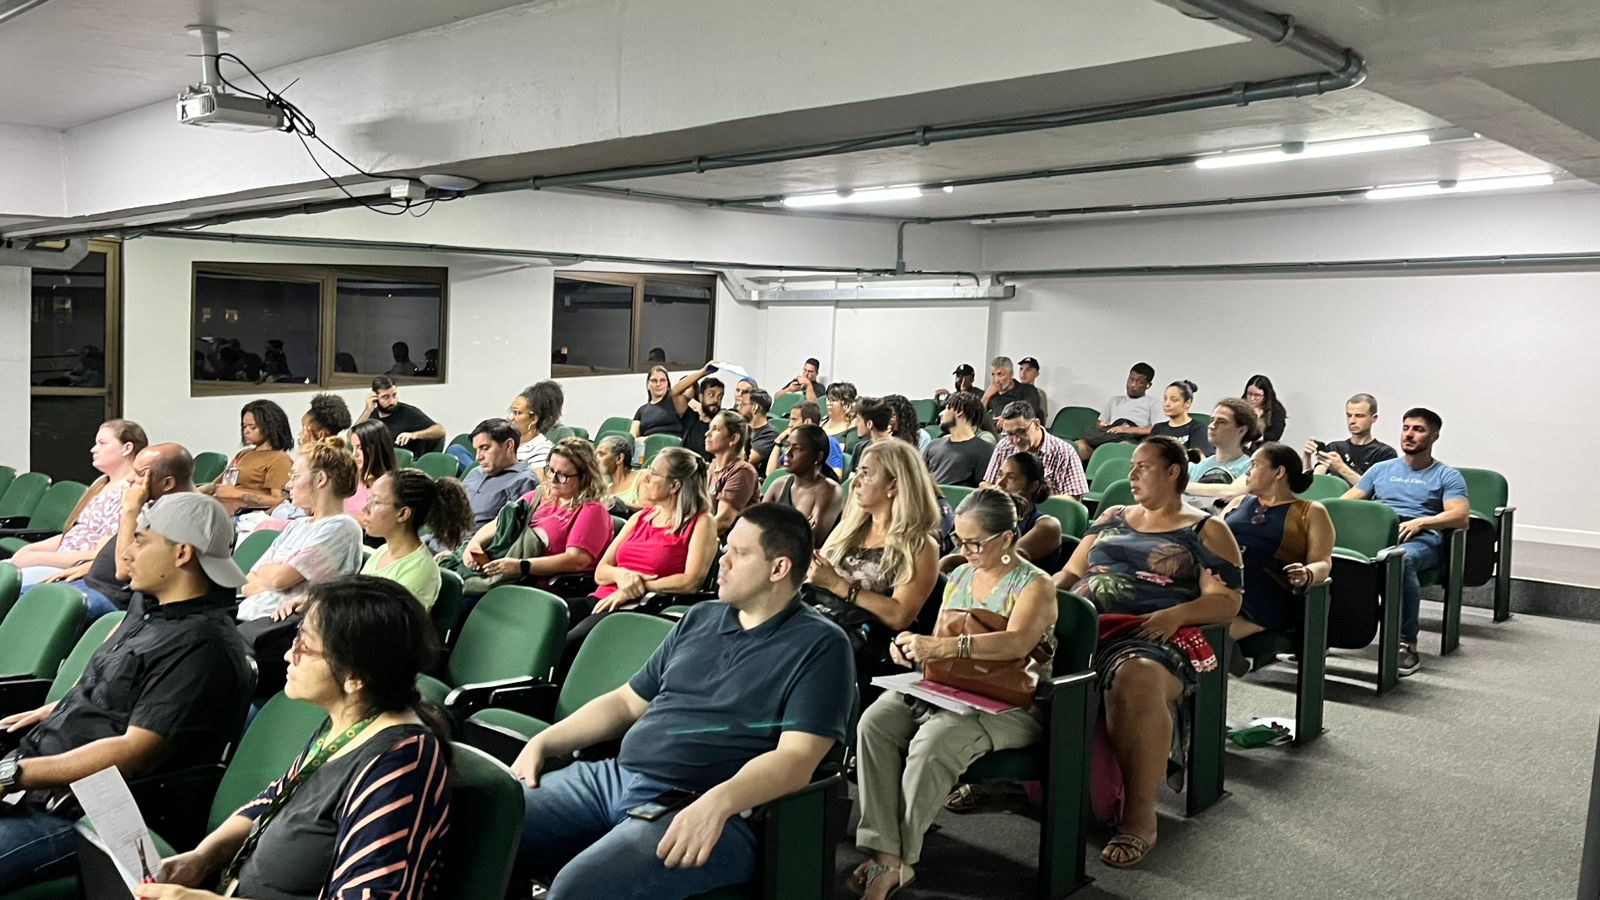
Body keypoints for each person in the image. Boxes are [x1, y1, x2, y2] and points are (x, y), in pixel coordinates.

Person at [512, 503, 854, 900]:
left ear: (778, 568)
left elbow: (797, 759)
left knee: (579, 889)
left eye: (739, 553)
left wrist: (718, 803)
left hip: (705, 803)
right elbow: (626, 703)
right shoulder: (700, 618)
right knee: (488, 823)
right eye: (727, 548)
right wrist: (543, 742)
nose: (723, 560)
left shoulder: (821, 645)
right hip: (615, 777)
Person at [139, 576, 451, 900]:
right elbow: (277, 798)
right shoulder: (347, 722)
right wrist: (203, 857)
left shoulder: (400, 765)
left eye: (305, 646)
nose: (290, 654)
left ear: (355, 676)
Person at [0, 493, 253, 892]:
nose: (128, 553)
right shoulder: (148, 608)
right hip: (38, 779)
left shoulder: (204, 646)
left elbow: (135, 751)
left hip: (88, 813)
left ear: (182, 553)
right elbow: (116, 690)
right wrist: (54, 710)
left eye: (141, 540)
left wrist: (14, 774)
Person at [852, 488, 1057, 899]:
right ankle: (884, 851)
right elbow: (939, 638)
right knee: (874, 723)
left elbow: (1016, 644)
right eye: (959, 540)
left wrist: (943, 648)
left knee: (934, 742)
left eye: (975, 543)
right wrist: (912, 648)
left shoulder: (1035, 584)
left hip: (1008, 703)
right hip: (950, 688)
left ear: (1007, 538)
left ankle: (899, 860)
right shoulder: (961, 575)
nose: (964, 551)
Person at [1052, 436, 1243, 869]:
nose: (1132, 474)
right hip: (1085, 626)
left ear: (1174, 472)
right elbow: (1070, 572)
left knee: (1134, 676)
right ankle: (1009, 778)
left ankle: (1140, 819)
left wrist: (1176, 614)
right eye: (1132, 467)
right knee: (1011, 647)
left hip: (1153, 636)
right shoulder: (1112, 516)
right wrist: (1032, 598)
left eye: (1143, 467)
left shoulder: (1205, 529)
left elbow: (1227, 601)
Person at [1341, 408, 1470, 676]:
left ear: (1434, 436)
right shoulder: (1381, 470)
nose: (1409, 435)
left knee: (1401, 560)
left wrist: (1421, 522)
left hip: (1420, 539)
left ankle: (1406, 644)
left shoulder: (1446, 475)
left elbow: (1460, 516)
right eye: (1406, 428)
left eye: (1418, 429)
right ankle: (1326, 634)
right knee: (1335, 557)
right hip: (1379, 533)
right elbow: (1346, 503)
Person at [562, 448, 718, 663]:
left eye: (653, 474)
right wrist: (622, 576)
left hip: (640, 607)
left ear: (674, 486)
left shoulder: (702, 522)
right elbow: (601, 572)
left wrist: (636, 588)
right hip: (601, 599)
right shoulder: (640, 517)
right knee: (543, 620)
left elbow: (691, 581)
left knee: (567, 644)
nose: (645, 478)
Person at [810, 440, 941, 692]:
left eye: (866, 474)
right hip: (822, 629)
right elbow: (816, 577)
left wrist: (838, 585)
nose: (855, 483)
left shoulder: (920, 546)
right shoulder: (848, 528)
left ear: (894, 486)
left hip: (869, 649)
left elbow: (899, 616)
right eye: (857, 472)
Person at [47, 443, 194, 622]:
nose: (130, 479)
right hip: (89, 580)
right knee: (25, 596)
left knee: (40, 610)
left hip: (113, 597)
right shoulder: (160, 506)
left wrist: (130, 511)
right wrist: (90, 566)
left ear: (168, 483)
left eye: (140, 474)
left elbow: (123, 571)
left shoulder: (182, 518)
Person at [1222, 444, 1335, 656]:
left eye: (1254, 465)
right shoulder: (1238, 502)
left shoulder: (1310, 512)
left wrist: (1307, 573)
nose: (1247, 472)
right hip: (1226, 582)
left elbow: (1323, 562)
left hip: (1268, 594)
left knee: (1202, 639)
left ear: (1279, 472)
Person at [237, 438, 365, 624]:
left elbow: (278, 579)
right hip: (249, 615)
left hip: (283, 623)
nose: (288, 485)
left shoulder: (342, 527)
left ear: (320, 479)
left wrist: (274, 576)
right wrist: (277, 579)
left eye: (295, 476)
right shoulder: (296, 525)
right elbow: (248, 584)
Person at [462, 438, 613, 591]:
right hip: (509, 574)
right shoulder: (538, 496)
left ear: (585, 477)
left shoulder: (592, 511)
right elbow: (500, 523)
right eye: (550, 470)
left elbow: (576, 560)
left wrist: (521, 566)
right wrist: (474, 545)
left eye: (563, 475)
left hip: (539, 586)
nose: (553, 479)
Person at [11, 419, 146, 589]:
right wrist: (30, 551)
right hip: (62, 557)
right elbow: (76, 533)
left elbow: (105, 554)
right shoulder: (101, 484)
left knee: (10, 584)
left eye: (102, 443)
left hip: (76, 567)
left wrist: (40, 558)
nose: (93, 449)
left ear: (127, 448)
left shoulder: (131, 493)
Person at [361, 469, 473, 610]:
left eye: (376, 502)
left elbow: (384, 621)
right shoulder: (383, 551)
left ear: (403, 514)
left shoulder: (420, 571)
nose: (365, 509)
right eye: (369, 500)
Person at [201, 400, 294, 515]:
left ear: (270, 428)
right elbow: (215, 485)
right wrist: (193, 491)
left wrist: (237, 494)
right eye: (244, 426)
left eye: (253, 427)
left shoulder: (280, 459)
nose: (246, 431)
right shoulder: (243, 454)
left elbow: (279, 501)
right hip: (220, 506)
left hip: (245, 513)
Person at [982, 401, 1088, 499]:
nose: (1016, 440)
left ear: (1037, 424)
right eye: (1009, 434)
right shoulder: (1004, 447)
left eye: (1021, 431)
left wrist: (1035, 501)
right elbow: (987, 483)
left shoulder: (1064, 452)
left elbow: (1074, 496)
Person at [762, 424, 845, 547]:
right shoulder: (778, 485)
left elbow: (810, 541)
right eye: (788, 446)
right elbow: (757, 526)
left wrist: (773, 526)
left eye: (797, 448)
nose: (788, 453)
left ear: (818, 456)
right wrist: (798, 527)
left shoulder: (830, 490)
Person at [1303, 392, 1397, 486]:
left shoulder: (1385, 453)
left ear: (1374, 418)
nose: (1352, 421)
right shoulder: (1334, 447)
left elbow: (1377, 490)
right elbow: (1314, 485)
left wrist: (1341, 468)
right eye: (1349, 415)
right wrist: (1307, 457)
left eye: (1359, 416)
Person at [1074, 363, 1161, 463]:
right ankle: (1094, 461)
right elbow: (1099, 423)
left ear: (1148, 385)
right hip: (1108, 435)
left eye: (1139, 382)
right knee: (1078, 445)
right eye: (1131, 379)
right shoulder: (1115, 400)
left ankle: (1101, 462)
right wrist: (1102, 424)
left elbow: (1157, 429)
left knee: (1120, 447)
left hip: (1131, 439)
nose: (1133, 385)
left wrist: (1125, 429)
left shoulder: (1153, 403)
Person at [461, 418, 537, 531]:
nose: (478, 457)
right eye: (477, 450)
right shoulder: (475, 472)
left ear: (509, 446)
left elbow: (509, 532)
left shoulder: (524, 481)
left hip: (470, 540)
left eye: (485, 448)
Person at [1185, 398, 1260, 512]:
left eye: (1222, 422)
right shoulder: (1194, 466)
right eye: (1212, 420)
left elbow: (1232, 492)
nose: (1212, 426)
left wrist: (1183, 486)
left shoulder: (1251, 467)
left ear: (1242, 430)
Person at [356, 376, 445, 454]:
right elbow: (352, 437)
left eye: (394, 395)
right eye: (386, 397)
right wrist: (367, 410)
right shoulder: (371, 414)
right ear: (375, 397)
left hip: (404, 463)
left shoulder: (408, 412)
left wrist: (413, 435)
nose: (392, 401)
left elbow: (440, 430)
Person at [706, 410, 761, 536]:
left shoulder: (742, 471)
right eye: (709, 428)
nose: (707, 434)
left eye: (715, 429)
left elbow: (723, 521)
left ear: (734, 438)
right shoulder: (711, 469)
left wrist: (688, 538)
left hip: (731, 542)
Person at [924, 392, 994, 487]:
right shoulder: (933, 445)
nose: (940, 414)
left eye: (947, 408)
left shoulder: (985, 450)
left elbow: (983, 488)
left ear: (960, 411)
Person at [766, 402, 845, 479]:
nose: (789, 424)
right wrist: (778, 442)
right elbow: (770, 474)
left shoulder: (829, 442)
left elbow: (836, 476)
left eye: (794, 419)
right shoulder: (794, 443)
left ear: (807, 422)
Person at [346, 418, 397, 529]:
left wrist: (340, 515)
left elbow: (377, 525)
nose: (354, 454)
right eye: (353, 448)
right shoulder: (350, 478)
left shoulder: (388, 487)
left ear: (376, 449)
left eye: (360, 448)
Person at [671, 364, 725, 457]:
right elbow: (673, 393)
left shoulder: (722, 425)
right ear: (701, 397)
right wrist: (703, 372)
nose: (716, 400)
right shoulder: (690, 417)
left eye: (720, 397)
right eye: (711, 394)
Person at [510, 382, 563, 477]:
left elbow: (536, 483)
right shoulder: (507, 443)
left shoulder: (543, 449)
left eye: (516, 413)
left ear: (534, 419)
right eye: (510, 411)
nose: (510, 418)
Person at [1150, 380, 1212, 459]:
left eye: (1174, 400)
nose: (1167, 404)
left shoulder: (1198, 428)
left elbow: (1199, 459)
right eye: (1165, 399)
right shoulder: (1158, 428)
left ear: (1187, 403)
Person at [981, 356, 1043, 422]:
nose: (996, 380)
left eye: (1000, 374)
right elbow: (978, 417)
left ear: (1011, 374)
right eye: (993, 374)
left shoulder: (1027, 390)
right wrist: (986, 397)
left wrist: (1005, 418)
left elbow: (1029, 412)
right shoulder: (992, 394)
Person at [632, 365, 688, 438]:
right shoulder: (641, 410)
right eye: (654, 380)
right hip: (647, 444)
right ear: (648, 385)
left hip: (671, 443)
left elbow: (686, 384)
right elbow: (632, 436)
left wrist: (702, 372)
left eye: (663, 380)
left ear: (668, 385)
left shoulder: (675, 403)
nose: (658, 384)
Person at [597, 433, 646, 516]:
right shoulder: (606, 489)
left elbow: (650, 510)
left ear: (619, 458)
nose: (596, 459)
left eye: (601, 454)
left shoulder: (641, 477)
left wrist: (618, 504)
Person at [739, 389, 779, 471]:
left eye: (743, 404)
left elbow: (747, 459)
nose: (739, 408)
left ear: (755, 407)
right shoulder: (742, 429)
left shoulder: (769, 434)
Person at [1243, 374, 1288, 447]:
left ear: (1266, 395)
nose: (1252, 398)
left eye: (1257, 395)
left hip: (1264, 448)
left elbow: (1274, 435)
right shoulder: (1240, 407)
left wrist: (1253, 439)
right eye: (1249, 394)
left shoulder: (1276, 410)